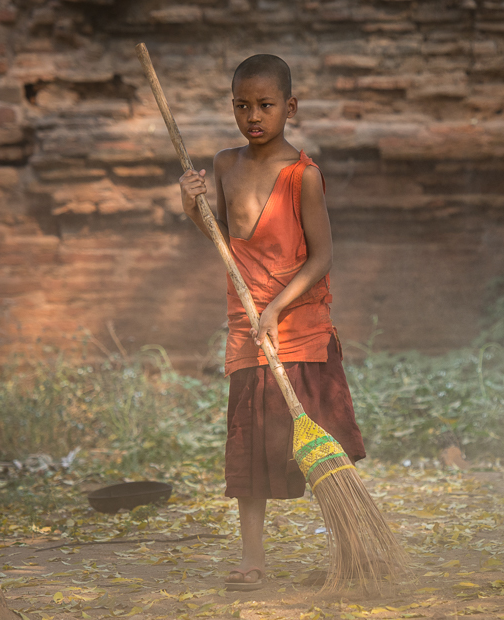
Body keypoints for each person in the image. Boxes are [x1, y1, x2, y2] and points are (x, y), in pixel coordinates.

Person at [178, 54, 366, 591]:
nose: (253, 116)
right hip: (247, 328)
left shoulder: (303, 176)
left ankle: (349, 546)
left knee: (323, 445)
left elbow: (322, 257)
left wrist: (277, 308)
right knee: (251, 448)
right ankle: (253, 557)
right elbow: (219, 238)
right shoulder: (224, 164)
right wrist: (191, 208)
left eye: (265, 105)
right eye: (242, 106)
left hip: (299, 329)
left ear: (290, 107)